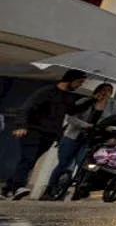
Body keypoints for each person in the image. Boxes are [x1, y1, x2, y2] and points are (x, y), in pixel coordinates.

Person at [1, 69, 89, 201]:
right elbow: (27, 107)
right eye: (79, 82)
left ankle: (8, 189)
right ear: (70, 80)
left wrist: (92, 101)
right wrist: (20, 125)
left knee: (30, 161)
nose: (80, 85)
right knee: (28, 159)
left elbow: (72, 111)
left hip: (50, 135)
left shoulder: (68, 97)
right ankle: (17, 187)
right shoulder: (47, 91)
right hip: (33, 131)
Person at [41, 83, 116, 200]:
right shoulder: (84, 101)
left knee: (84, 164)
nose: (106, 93)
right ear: (97, 90)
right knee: (63, 163)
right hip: (73, 136)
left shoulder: (113, 105)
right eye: (103, 90)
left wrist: (112, 134)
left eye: (109, 91)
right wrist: (86, 125)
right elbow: (71, 117)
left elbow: (114, 122)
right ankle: (50, 189)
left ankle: (80, 190)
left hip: (92, 139)